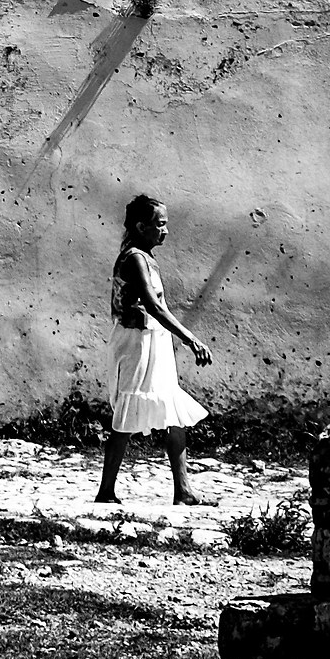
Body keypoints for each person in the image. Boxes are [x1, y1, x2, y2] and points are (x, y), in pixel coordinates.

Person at [95, 195, 213, 506]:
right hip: (136, 344)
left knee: (172, 411)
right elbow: (153, 306)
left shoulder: (146, 257)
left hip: (153, 341)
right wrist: (190, 338)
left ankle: (183, 489)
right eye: (160, 224)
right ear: (140, 226)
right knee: (127, 414)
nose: (166, 231)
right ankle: (106, 491)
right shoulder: (134, 258)